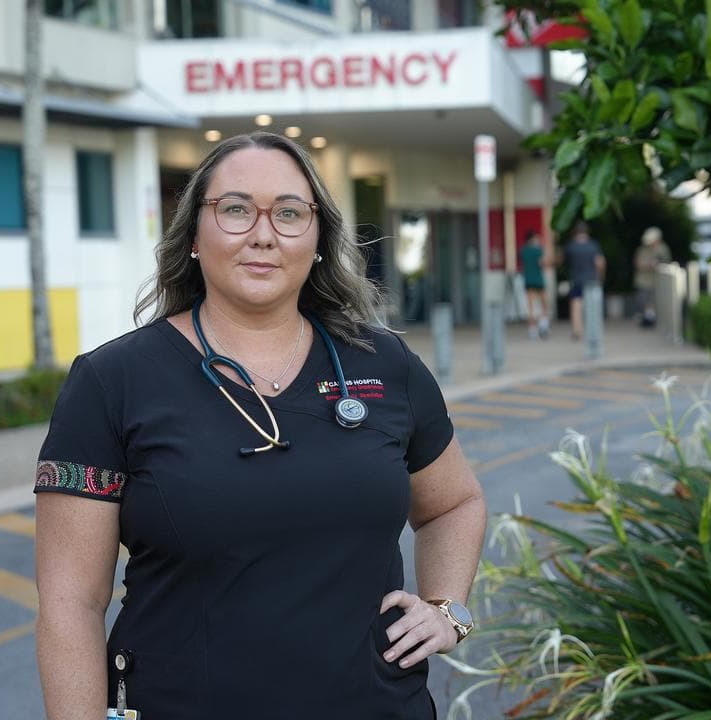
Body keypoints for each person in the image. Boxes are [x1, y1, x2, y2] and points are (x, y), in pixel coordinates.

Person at [33, 131, 487, 720]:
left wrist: (447, 608)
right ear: (194, 233)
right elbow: (71, 603)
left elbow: (454, 504)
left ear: (319, 237)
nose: (264, 234)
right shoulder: (112, 382)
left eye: (290, 213)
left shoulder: (384, 365)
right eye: (236, 209)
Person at [563, 222, 605, 357]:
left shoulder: (571, 246)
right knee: (592, 308)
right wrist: (600, 278)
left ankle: (577, 329)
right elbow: (600, 263)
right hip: (592, 281)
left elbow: (566, 262)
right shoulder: (593, 245)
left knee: (576, 304)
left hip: (576, 280)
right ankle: (592, 332)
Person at [633, 226, 672, 327]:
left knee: (654, 301)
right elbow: (638, 263)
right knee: (643, 300)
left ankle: (652, 320)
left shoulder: (663, 249)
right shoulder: (642, 249)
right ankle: (647, 318)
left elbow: (664, 263)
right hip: (643, 280)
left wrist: (650, 265)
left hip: (657, 280)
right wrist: (648, 265)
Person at [519, 229, 549, 339]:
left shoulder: (523, 250)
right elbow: (543, 263)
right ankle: (543, 326)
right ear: (533, 238)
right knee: (544, 304)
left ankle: (532, 330)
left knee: (530, 306)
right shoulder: (538, 250)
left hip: (528, 279)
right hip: (538, 279)